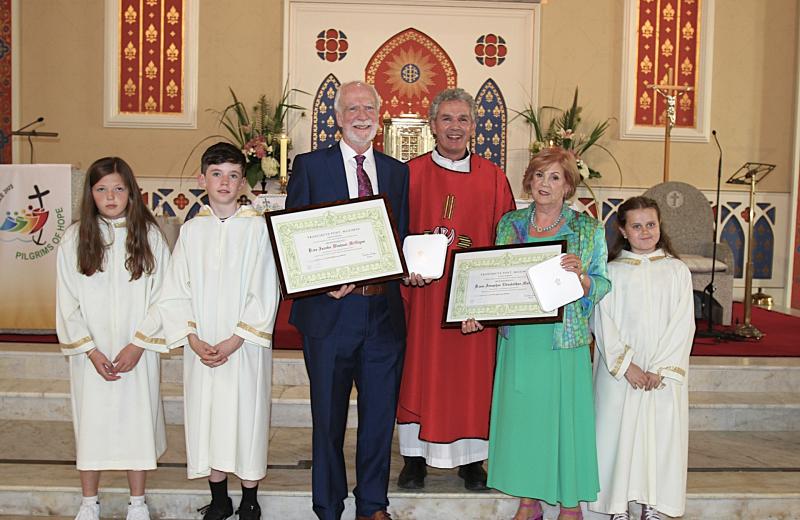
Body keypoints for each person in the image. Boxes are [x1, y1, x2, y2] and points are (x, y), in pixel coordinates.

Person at [134, 142, 280, 520]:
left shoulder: (257, 229)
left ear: (243, 182)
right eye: (216, 175)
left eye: (233, 176)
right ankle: (219, 499)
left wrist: (234, 340)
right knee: (208, 416)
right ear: (202, 179)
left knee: (246, 418)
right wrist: (194, 339)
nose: (224, 183)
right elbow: (176, 290)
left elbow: (265, 288)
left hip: (244, 345)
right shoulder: (192, 231)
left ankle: (250, 498)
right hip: (202, 347)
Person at [286, 80, 409, 520]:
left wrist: (413, 264)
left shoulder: (396, 172)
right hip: (329, 314)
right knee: (328, 419)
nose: (361, 116)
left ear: (380, 116)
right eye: (352, 108)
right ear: (337, 117)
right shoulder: (309, 167)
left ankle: (373, 505)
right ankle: (328, 506)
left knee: (378, 419)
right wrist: (320, 282)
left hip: (382, 314)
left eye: (369, 108)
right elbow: (293, 238)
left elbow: (400, 236)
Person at [396, 88, 515, 491]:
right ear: (432, 125)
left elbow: (506, 242)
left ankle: (472, 460)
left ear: (474, 127)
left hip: (472, 300)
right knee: (419, 371)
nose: (455, 127)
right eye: (446, 118)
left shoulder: (493, 178)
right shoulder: (410, 174)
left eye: (463, 119)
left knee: (471, 378)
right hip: (424, 299)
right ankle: (414, 458)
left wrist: (493, 299)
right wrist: (404, 272)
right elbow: (393, 233)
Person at [486, 147, 611, 520]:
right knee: (524, 419)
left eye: (555, 177)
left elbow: (603, 284)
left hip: (563, 338)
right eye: (539, 175)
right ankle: (529, 500)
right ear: (529, 180)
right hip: (520, 337)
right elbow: (494, 277)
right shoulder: (509, 224)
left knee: (563, 420)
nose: (545, 184)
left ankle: (570, 505)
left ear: (568, 186)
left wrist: (583, 278)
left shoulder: (588, 229)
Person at [56, 157, 169, 520]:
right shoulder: (74, 238)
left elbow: (164, 297)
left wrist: (139, 344)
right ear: (90, 194)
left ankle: (138, 502)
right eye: (101, 189)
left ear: (131, 193)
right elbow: (67, 302)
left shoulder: (150, 236)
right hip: (93, 354)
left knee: (137, 424)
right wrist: (90, 350)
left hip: (137, 350)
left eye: (118, 188)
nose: (110, 196)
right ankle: (89, 502)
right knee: (91, 425)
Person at [589, 196, 695, 520]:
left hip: (661, 375)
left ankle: (652, 504)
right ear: (623, 230)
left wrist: (662, 368)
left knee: (658, 438)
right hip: (621, 372)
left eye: (651, 224)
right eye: (637, 226)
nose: (645, 231)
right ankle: (617, 506)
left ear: (660, 226)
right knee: (617, 436)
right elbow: (602, 321)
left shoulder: (677, 271)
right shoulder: (611, 272)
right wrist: (626, 365)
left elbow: (683, 322)